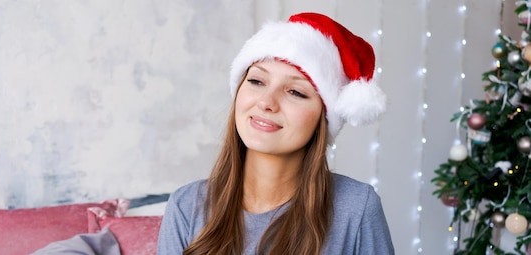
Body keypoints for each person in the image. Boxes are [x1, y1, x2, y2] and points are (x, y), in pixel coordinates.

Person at [156, 12, 394, 255]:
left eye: (295, 92)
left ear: (323, 118)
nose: (266, 102)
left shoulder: (356, 208)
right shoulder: (186, 206)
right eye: (257, 81)